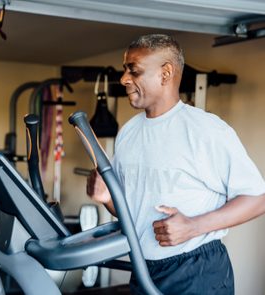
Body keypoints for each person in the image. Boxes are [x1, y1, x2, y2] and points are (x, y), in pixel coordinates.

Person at [86, 34, 265, 294]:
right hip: (144, 267)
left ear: (165, 73)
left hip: (197, 270)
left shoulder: (206, 130)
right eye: (125, 70)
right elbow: (132, 212)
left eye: (133, 71)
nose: (124, 79)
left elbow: (258, 198)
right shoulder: (128, 132)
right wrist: (106, 198)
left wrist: (194, 226)